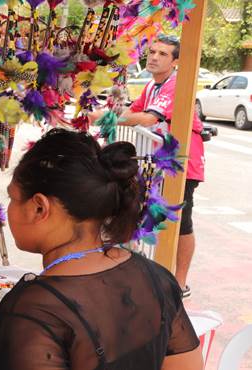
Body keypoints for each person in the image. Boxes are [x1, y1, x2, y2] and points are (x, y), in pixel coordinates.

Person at [0, 128, 203, 370]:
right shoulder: (157, 278)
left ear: (39, 208)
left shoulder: (34, 310)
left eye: (12, 197)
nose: (9, 209)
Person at [89, 35, 205, 298]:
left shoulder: (175, 84)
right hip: (159, 161)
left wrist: (106, 118)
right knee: (146, 213)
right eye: (152, 51)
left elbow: (147, 117)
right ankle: (144, 272)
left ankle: (179, 283)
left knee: (181, 223)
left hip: (183, 163)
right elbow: (134, 110)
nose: (154, 57)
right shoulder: (153, 86)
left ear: (175, 61)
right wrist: (107, 111)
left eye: (163, 54)